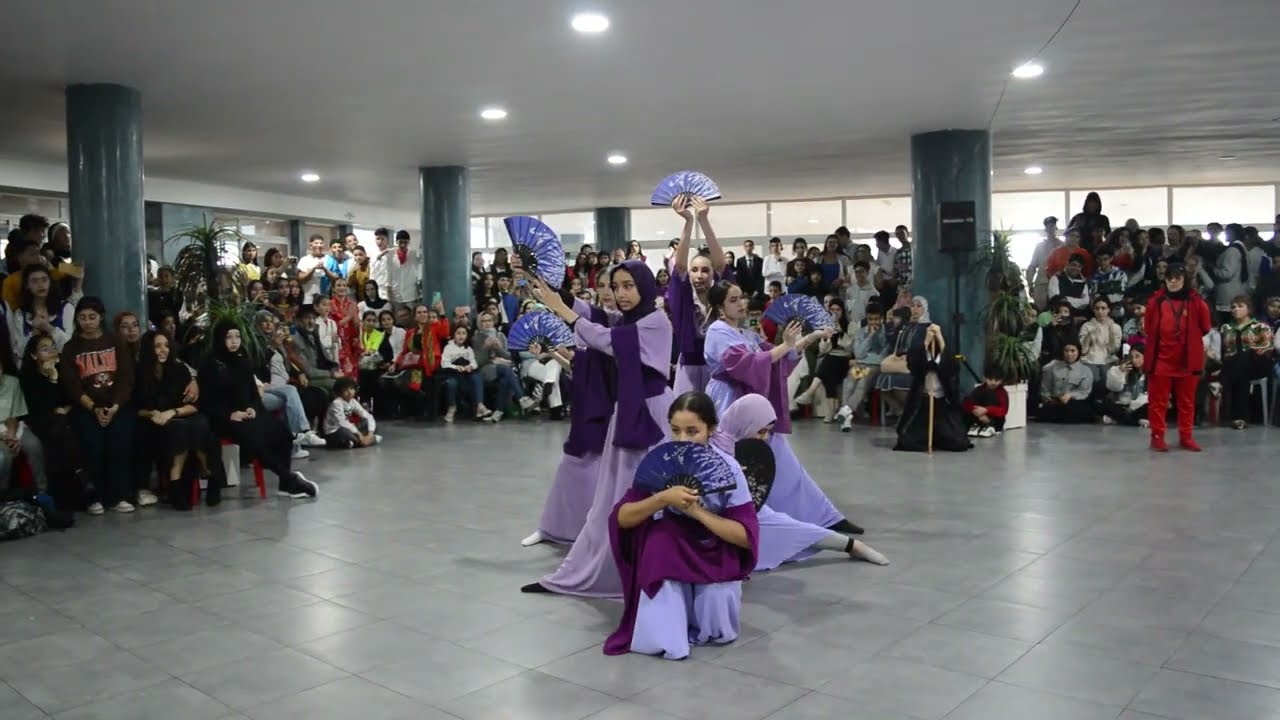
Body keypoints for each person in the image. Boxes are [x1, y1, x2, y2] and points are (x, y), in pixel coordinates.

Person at [522, 261, 674, 598]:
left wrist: (564, 312)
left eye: (628, 285)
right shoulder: (629, 319)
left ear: (645, 286)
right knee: (614, 495)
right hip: (630, 409)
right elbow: (596, 315)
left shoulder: (655, 321)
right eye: (616, 286)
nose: (620, 293)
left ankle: (654, 566)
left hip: (653, 413)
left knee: (648, 492)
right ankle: (612, 565)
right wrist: (544, 284)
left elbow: (608, 339)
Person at [603, 391, 759, 660]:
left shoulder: (730, 469)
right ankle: (666, 635)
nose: (682, 439)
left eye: (692, 431)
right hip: (672, 542)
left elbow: (746, 535)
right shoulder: (661, 462)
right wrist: (662, 498)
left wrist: (697, 512)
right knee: (659, 540)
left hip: (714, 543)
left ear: (711, 430)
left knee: (717, 628)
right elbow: (623, 518)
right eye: (675, 431)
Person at [702, 280, 864, 533]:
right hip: (729, 401)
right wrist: (785, 345)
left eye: (741, 297)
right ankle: (736, 519)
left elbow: (775, 356)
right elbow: (747, 365)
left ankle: (823, 515)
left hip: (749, 402)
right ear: (720, 308)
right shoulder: (718, 331)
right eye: (733, 300)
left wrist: (810, 337)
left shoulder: (745, 333)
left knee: (781, 459)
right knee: (736, 462)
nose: (742, 303)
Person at [715, 394, 887, 569]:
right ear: (745, 424)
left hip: (743, 515)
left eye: (768, 431)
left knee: (786, 526)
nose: (766, 438)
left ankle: (852, 546)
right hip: (711, 520)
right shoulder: (714, 447)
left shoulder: (745, 450)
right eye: (761, 431)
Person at [199, 322, 317, 498]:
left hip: (248, 413)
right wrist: (230, 415)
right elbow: (206, 401)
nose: (234, 341)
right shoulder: (209, 364)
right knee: (255, 440)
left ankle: (285, 485)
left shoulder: (242, 361)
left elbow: (254, 394)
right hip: (224, 419)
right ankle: (289, 479)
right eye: (229, 337)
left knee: (282, 433)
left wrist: (253, 408)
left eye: (237, 336)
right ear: (220, 339)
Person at [60, 297, 138, 512]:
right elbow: (72, 385)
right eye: (83, 318)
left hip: (116, 406)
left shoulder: (115, 341)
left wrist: (115, 406)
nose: (87, 322)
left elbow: (126, 377)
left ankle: (120, 495)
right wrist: (93, 408)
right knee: (92, 446)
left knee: (120, 442)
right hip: (87, 408)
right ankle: (95, 497)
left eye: (92, 317)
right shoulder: (71, 348)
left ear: (101, 317)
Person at [133, 331, 218, 510]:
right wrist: (153, 414)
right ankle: (184, 479)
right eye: (157, 346)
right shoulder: (140, 373)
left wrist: (172, 412)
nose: (163, 350)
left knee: (200, 424)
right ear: (149, 349)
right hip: (154, 421)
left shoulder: (179, 369)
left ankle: (205, 476)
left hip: (180, 414)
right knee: (182, 429)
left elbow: (195, 405)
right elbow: (136, 408)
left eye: (166, 345)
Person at [1143, 264, 1212, 451]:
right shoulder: (1156, 301)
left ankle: (1186, 437)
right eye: (1169, 278)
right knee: (1158, 402)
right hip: (1161, 360)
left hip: (1186, 361)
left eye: (1177, 278)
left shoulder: (1197, 302)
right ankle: (1157, 437)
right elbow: (1148, 328)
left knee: (1187, 403)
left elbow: (1206, 327)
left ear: (1185, 279)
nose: (1173, 282)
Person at [19, 334, 90, 511]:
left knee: (60, 431)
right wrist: (52, 378)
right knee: (58, 431)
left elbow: (71, 399)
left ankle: (61, 493)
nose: (51, 351)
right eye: (45, 349)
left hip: (63, 419)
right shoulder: (28, 376)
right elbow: (39, 409)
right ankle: (80, 479)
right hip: (39, 421)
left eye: (53, 347)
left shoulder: (63, 369)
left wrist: (63, 410)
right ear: (34, 355)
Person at [892, 303, 971, 452]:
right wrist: (926, 342)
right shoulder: (919, 353)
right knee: (906, 440)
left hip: (941, 406)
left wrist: (940, 339)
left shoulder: (945, 356)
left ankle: (939, 436)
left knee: (958, 442)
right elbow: (915, 366)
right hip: (922, 405)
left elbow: (952, 369)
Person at [667, 196, 726, 394]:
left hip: (717, 366)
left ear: (713, 274)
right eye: (694, 270)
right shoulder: (685, 297)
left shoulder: (721, 296)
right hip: (688, 366)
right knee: (685, 411)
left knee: (716, 412)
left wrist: (704, 220)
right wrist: (689, 221)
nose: (699, 275)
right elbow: (680, 266)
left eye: (705, 270)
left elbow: (721, 264)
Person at [1218, 295, 1275, 429]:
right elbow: (1223, 351)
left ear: (1249, 309)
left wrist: (1247, 352)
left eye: (1240, 306)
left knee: (1244, 358)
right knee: (1240, 370)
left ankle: (1231, 415)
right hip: (1236, 367)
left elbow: (1267, 349)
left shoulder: (1261, 327)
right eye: (1233, 307)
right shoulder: (1226, 328)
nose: (1235, 309)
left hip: (1258, 363)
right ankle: (1241, 417)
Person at [473, 312, 533, 423]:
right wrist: (486, 347)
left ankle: (498, 412)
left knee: (506, 378)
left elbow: (509, 357)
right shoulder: (476, 337)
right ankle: (522, 398)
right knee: (506, 371)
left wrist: (498, 348)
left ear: (493, 322)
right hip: (485, 369)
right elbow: (478, 362)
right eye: (483, 321)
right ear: (479, 323)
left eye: (489, 320)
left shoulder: (500, 336)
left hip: (502, 367)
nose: (487, 323)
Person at [835, 307, 886, 431]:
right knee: (849, 383)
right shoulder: (861, 332)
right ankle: (846, 419)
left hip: (873, 366)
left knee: (862, 383)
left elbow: (881, 353)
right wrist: (870, 336)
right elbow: (859, 353)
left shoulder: (886, 333)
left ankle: (845, 410)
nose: (873, 322)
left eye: (876, 319)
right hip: (860, 364)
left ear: (882, 319)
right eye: (870, 319)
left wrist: (875, 336)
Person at [1037, 341, 1096, 424]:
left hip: (1073, 402)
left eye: (1073, 351)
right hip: (1055, 402)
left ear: (1078, 352)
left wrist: (1070, 395)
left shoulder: (1085, 370)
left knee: (1076, 410)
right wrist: (1049, 400)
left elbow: (1084, 392)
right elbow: (1045, 388)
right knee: (1043, 411)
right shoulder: (1052, 367)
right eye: (1066, 351)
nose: (1069, 354)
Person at [322, 377, 380, 448]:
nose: (350, 392)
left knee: (369, 423)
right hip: (335, 431)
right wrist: (359, 434)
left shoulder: (353, 401)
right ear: (339, 392)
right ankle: (364, 441)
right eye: (345, 390)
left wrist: (370, 433)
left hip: (349, 428)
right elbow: (342, 422)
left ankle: (359, 441)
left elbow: (368, 416)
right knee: (345, 433)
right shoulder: (336, 403)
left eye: (351, 389)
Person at [1103, 345, 1149, 426]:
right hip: (1124, 406)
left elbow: (1150, 396)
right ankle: (1135, 421)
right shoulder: (1125, 369)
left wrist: (1133, 407)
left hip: (1139, 406)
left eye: (1137, 356)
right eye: (1131, 357)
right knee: (1108, 405)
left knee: (1149, 407)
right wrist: (1119, 372)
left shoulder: (1152, 373)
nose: (1134, 360)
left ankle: (1122, 419)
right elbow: (1113, 388)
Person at [1026, 217, 1062, 308]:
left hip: (1058, 283)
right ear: (1045, 228)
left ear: (1056, 228)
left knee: (1057, 309)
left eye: (1053, 225)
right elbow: (1032, 266)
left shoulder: (1062, 245)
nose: (1051, 228)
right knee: (1040, 309)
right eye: (1048, 225)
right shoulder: (1039, 246)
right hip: (1041, 283)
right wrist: (1030, 283)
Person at [295, 234, 329, 304]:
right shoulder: (304, 260)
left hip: (326, 298)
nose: (319, 245)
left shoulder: (330, 259)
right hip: (308, 298)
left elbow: (336, 279)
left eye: (321, 243)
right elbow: (301, 279)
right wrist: (313, 270)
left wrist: (325, 270)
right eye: (316, 243)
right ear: (310, 245)